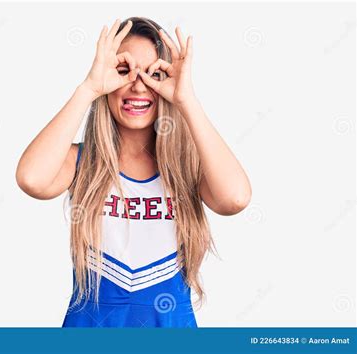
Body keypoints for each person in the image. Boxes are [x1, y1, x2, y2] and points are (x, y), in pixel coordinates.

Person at [16, 17, 252, 327]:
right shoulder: (81, 162)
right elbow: (32, 179)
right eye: (124, 71)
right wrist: (88, 88)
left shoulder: (187, 166)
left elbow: (234, 199)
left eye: (154, 74)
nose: (139, 85)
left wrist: (187, 100)